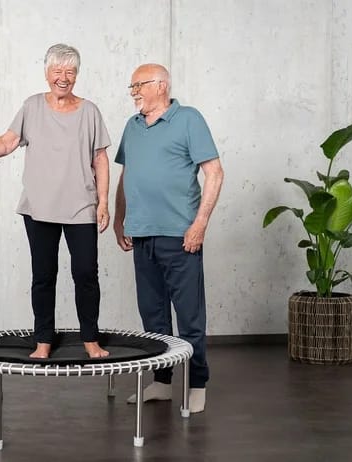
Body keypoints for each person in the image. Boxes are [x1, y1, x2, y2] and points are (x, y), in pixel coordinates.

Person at [0, 44, 111, 359]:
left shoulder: (90, 111)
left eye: (70, 71)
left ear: (77, 75)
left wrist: (103, 202)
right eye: (57, 71)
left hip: (81, 207)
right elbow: (7, 143)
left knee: (86, 274)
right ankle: (43, 340)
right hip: (39, 208)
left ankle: (91, 338)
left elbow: (101, 159)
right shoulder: (32, 106)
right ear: (47, 73)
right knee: (43, 276)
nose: (63, 78)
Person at [113, 63, 224, 413]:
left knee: (189, 316)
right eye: (131, 87)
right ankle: (161, 383)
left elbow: (215, 174)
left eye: (138, 86)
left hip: (180, 236)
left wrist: (200, 224)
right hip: (141, 234)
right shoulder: (132, 127)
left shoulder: (189, 119)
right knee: (153, 317)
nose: (134, 93)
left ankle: (197, 384)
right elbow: (126, 176)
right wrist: (120, 219)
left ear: (160, 85)